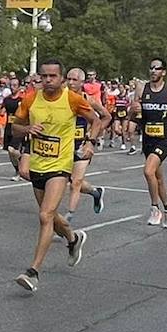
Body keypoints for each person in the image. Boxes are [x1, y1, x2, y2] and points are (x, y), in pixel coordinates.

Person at [8, 60, 94, 292]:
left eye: (52, 76)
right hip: (38, 164)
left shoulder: (72, 99)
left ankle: (33, 271)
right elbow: (15, 126)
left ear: (62, 79)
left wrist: (90, 142)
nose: (47, 80)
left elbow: (98, 119)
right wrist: (26, 130)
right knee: (52, 217)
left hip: (60, 166)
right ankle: (73, 239)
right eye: (44, 76)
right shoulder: (31, 98)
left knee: (45, 215)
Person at [132, 57, 167, 226]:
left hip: (165, 138)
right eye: (151, 68)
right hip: (148, 138)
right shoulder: (142, 88)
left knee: (148, 171)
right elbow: (134, 110)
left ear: (164, 72)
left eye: (157, 68)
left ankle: (155, 208)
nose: (153, 71)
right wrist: (134, 110)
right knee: (157, 177)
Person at [64, 66, 109, 220]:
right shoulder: (61, 97)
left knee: (75, 183)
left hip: (82, 145)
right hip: (63, 146)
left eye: (74, 80)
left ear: (82, 82)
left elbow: (106, 116)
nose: (70, 83)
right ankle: (95, 193)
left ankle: (68, 217)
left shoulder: (88, 99)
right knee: (67, 179)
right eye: (68, 79)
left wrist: (92, 136)